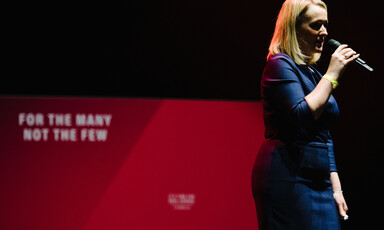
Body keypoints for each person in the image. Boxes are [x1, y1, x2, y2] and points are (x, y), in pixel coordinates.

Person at [252, 0, 359, 229]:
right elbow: (300, 114)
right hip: (288, 175)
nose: (325, 32)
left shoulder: (311, 72)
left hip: (319, 179)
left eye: (325, 25)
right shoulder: (279, 64)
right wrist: (332, 74)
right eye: (316, 25)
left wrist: (336, 188)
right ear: (294, 28)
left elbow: (324, 134)